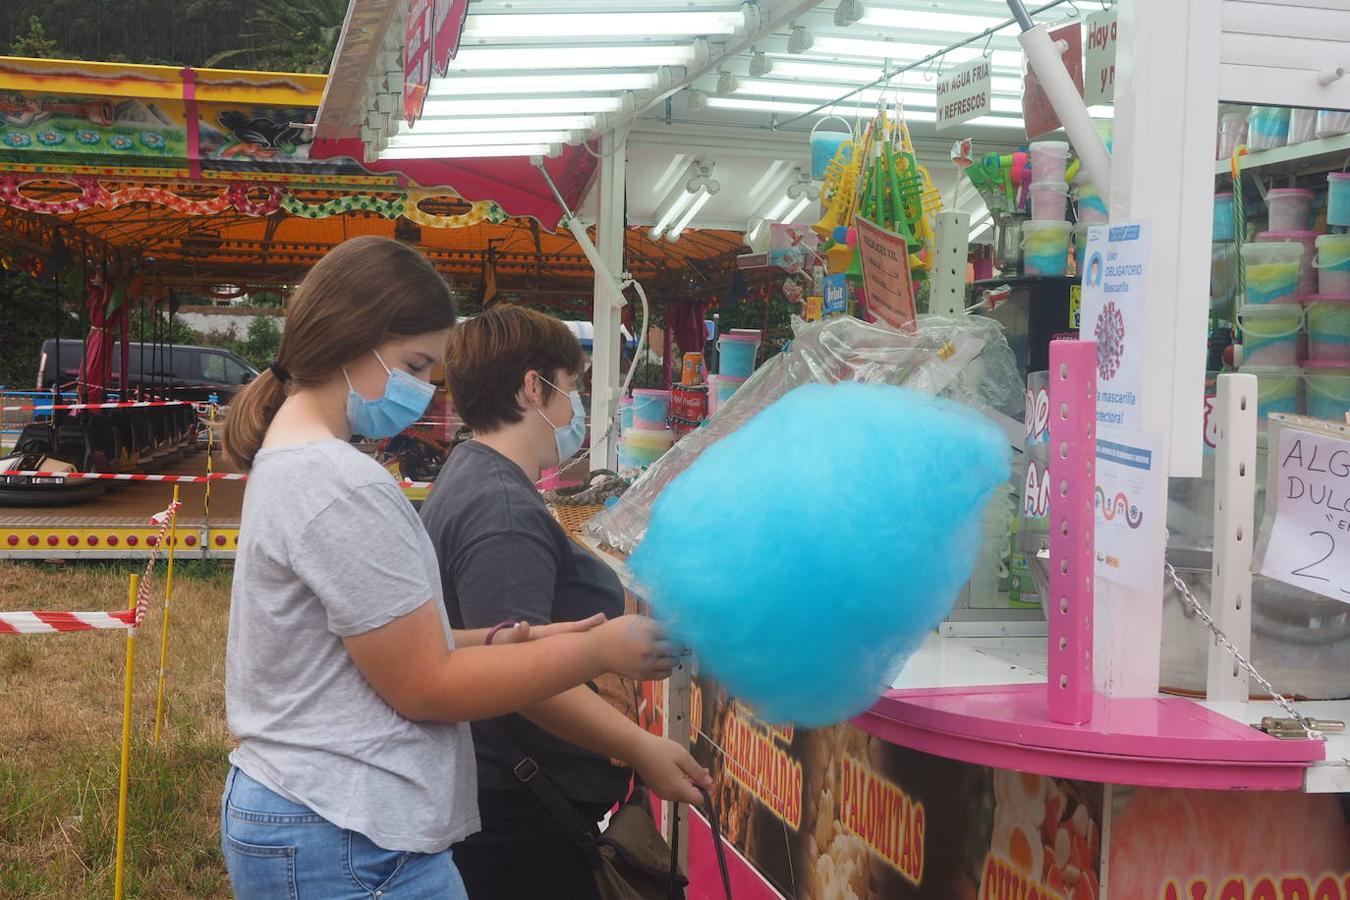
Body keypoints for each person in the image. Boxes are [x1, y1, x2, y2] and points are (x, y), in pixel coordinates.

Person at [219, 236, 681, 899]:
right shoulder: (338, 481)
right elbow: (426, 686)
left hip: (326, 816)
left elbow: (370, 646)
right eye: (413, 363)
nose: (419, 388)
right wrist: (599, 651)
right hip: (349, 834)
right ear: (355, 338)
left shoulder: (296, 460)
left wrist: (524, 639)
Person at [421, 306, 711, 900]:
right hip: (521, 816)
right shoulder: (501, 513)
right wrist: (640, 746)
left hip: (508, 801)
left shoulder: (473, 475)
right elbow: (521, 678)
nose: (574, 407)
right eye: (570, 386)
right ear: (534, 386)